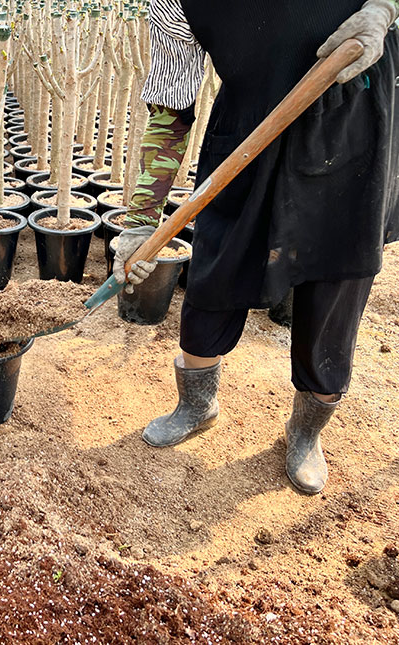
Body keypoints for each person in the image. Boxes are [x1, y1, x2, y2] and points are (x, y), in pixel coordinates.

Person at [113, 0, 399, 494]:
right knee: (215, 272)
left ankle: (306, 433)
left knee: (335, 290)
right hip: (247, 134)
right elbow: (170, 107)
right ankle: (197, 405)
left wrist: (384, 7)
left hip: (354, 130)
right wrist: (141, 218)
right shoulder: (172, 4)